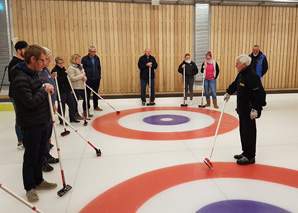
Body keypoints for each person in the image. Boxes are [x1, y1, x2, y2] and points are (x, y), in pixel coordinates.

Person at [11, 44, 57, 202]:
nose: (44, 63)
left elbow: (39, 91)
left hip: (42, 119)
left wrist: (46, 87)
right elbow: (30, 102)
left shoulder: (34, 73)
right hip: (31, 123)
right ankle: (29, 187)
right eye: (42, 60)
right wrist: (44, 91)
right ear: (33, 59)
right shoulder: (20, 77)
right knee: (31, 156)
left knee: (39, 155)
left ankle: (39, 180)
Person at [224, 54, 266, 165]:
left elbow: (260, 94)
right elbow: (235, 85)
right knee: (243, 132)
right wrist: (228, 92)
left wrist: (256, 108)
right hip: (242, 109)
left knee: (250, 133)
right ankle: (245, 152)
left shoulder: (252, 76)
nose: (235, 65)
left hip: (250, 110)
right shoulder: (242, 74)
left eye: (237, 63)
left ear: (244, 64)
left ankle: (250, 156)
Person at [38, 47, 60, 173]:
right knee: (43, 136)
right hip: (43, 109)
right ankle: (42, 160)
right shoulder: (38, 72)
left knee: (48, 135)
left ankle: (47, 155)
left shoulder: (45, 70)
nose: (49, 61)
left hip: (50, 106)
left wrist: (53, 103)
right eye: (46, 59)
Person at [8, 40, 28, 150]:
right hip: (16, 94)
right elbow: (12, 79)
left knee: (24, 116)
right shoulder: (14, 63)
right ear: (19, 50)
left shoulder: (25, 61)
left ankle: (25, 138)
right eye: (25, 49)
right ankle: (20, 140)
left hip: (24, 93)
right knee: (20, 117)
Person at [51, 56, 78, 122]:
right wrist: (64, 74)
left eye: (62, 63)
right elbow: (58, 81)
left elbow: (66, 80)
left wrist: (70, 88)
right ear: (56, 63)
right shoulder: (55, 70)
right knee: (62, 106)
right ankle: (61, 120)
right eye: (60, 63)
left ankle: (72, 117)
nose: (61, 64)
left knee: (72, 103)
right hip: (61, 91)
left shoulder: (63, 69)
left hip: (67, 90)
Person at [81, 46, 102, 112]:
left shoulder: (97, 58)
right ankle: (87, 107)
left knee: (96, 93)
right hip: (88, 79)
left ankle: (96, 106)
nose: (94, 53)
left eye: (95, 51)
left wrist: (99, 76)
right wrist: (84, 76)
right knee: (87, 94)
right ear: (89, 51)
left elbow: (99, 68)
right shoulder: (84, 59)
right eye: (92, 51)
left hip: (96, 78)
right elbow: (81, 68)